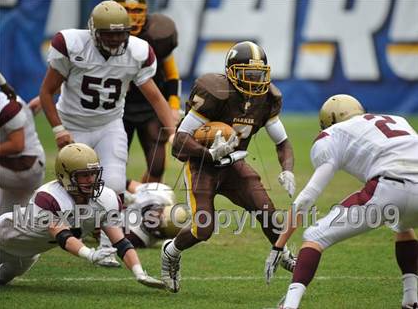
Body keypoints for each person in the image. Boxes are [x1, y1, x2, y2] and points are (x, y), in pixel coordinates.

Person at [39, 0, 175, 267]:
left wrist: (172, 132)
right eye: (108, 34)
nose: (115, 40)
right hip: (73, 124)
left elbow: (157, 98)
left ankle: (108, 248)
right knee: (75, 190)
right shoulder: (72, 45)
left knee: (112, 184)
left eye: (120, 34)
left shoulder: (137, 52)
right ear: (93, 32)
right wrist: (58, 130)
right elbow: (47, 93)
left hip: (109, 124)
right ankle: (66, 232)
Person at [160, 41, 297, 293]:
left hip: (234, 164)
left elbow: (283, 142)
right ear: (232, 73)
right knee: (203, 228)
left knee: (266, 210)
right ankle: (171, 252)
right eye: (249, 75)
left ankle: (284, 252)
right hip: (203, 165)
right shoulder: (215, 92)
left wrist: (287, 168)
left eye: (260, 74)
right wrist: (207, 152)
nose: (255, 81)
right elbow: (179, 140)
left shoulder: (268, 99)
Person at [264, 94, 418, 309]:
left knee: (314, 235)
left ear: (329, 121)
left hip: (390, 187)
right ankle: (411, 299)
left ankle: (289, 305)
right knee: (403, 224)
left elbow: (308, 196)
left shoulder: (333, 133)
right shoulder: (398, 120)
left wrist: (278, 246)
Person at [0, 143, 165, 289]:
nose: (91, 179)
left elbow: (121, 242)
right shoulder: (49, 197)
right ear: (65, 175)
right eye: (84, 175)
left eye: (93, 173)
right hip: (3, 237)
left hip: (29, 253)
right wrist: (90, 254)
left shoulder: (105, 199)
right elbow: (63, 236)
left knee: (3, 280)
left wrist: (139, 272)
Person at [112, 0, 181, 184]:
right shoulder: (105, 33)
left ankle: (146, 203)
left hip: (151, 107)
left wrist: (173, 106)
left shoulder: (158, 33)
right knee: (114, 166)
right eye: (127, 10)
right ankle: (123, 202)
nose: (133, 17)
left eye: (137, 11)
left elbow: (172, 75)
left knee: (157, 166)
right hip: (117, 108)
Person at [98, 182, 190, 250]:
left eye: (158, 225)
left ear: (162, 235)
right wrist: (118, 191)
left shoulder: (138, 237)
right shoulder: (162, 192)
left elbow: (102, 230)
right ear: (164, 208)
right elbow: (127, 182)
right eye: (158, 217)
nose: (153, 221)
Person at [0, 92, 45, 215]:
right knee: (6, 223)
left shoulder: (6, 107)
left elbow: (17, 145)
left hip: (25, 166)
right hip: (11, 166)